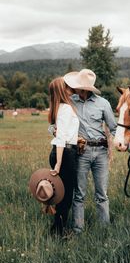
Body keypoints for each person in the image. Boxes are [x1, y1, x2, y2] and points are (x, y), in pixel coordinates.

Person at [63, 69, 117, 234]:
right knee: (79, 193)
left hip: (101, 152)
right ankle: (78, 229)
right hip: (81, 152)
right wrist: (56, 131)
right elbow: (56, 124)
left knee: (102, 193)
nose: (75, 88)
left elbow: (114, 128)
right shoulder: (69, 102)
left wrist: (122, 147)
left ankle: (104, 230)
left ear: (85, 88)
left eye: (78, 86)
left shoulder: (103, 103)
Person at [48, 76, 80, 236]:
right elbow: (61, 137)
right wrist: (59, 163)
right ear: (62, 89)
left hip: (65, 150)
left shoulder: (59, 107)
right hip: (65, 153)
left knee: (62, 194)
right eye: (66, 86)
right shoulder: (65, 109)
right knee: (65, 196)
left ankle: (57, 229)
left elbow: (59, 131)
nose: (70, 88)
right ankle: (59, 232)